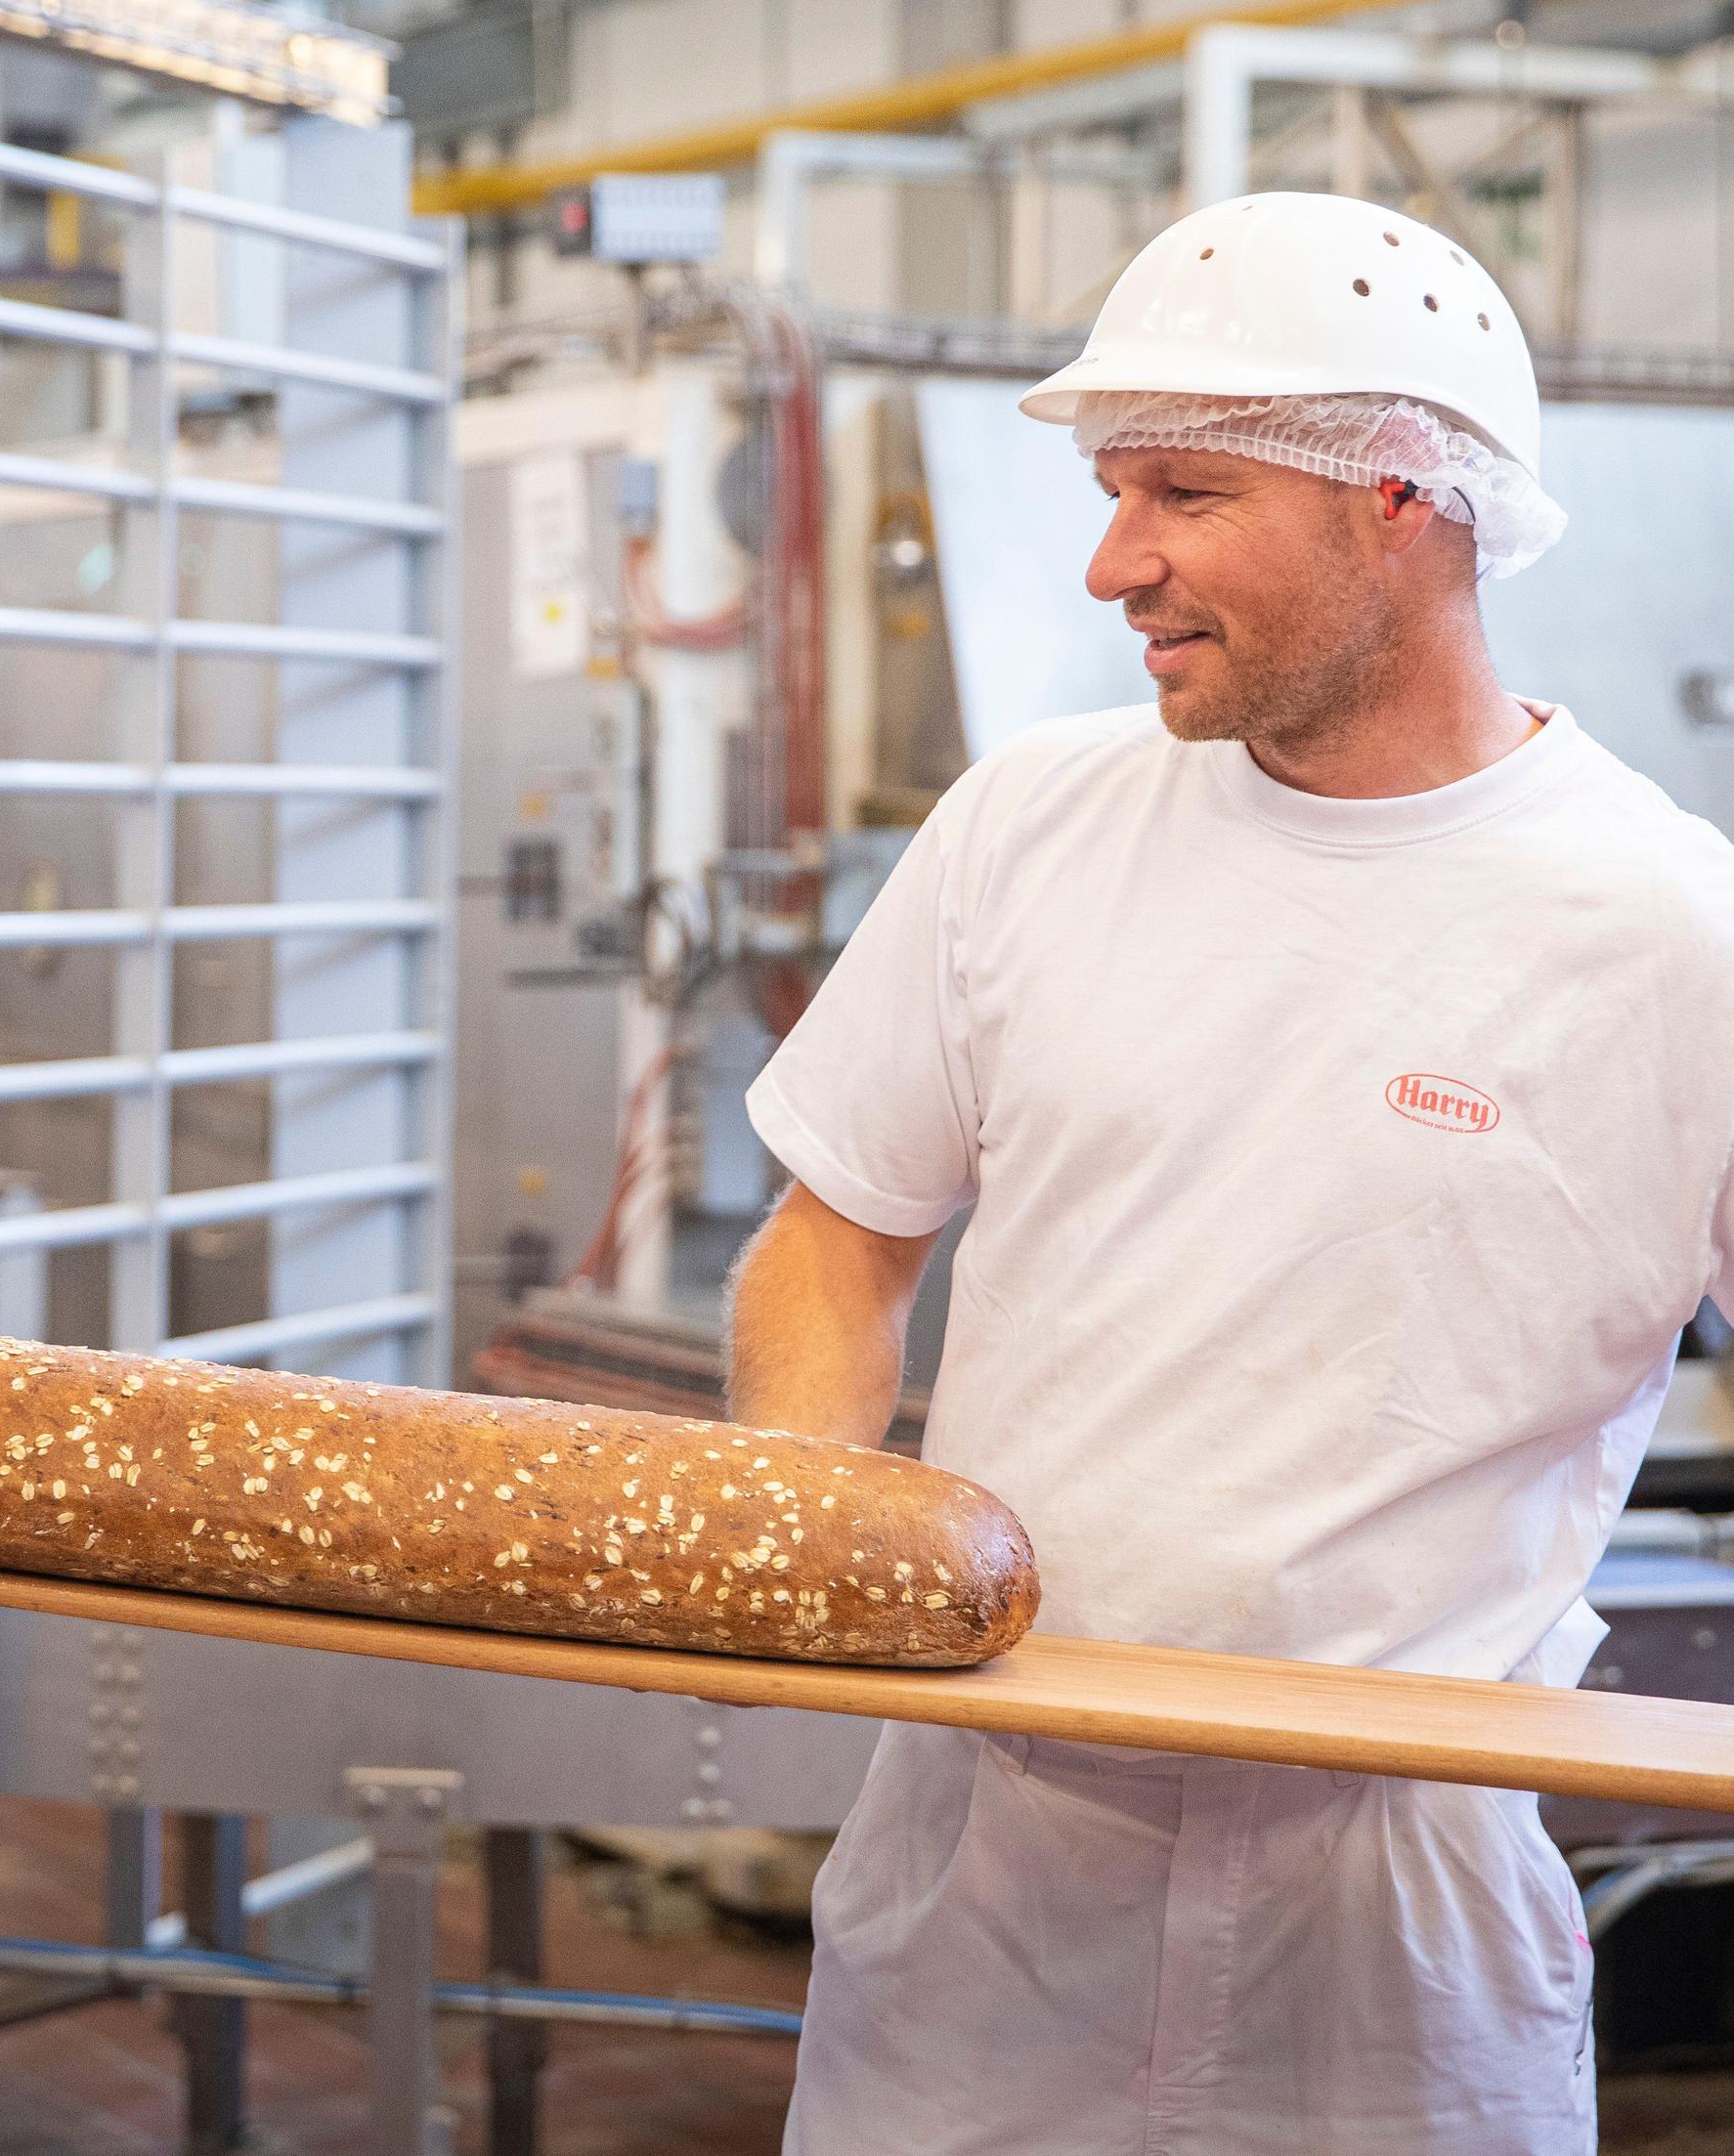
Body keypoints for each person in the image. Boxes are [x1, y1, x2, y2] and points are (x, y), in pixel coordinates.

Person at [729, 190, 1734, 2155]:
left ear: (1396, 496)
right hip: (986, 1875)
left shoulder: (1669, 931)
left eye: (1181, 490)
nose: (1112, 561)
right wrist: (794, 1535)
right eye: (1111, 490)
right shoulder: (1026, 825)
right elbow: (831, 1246)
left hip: (1390, 1918)